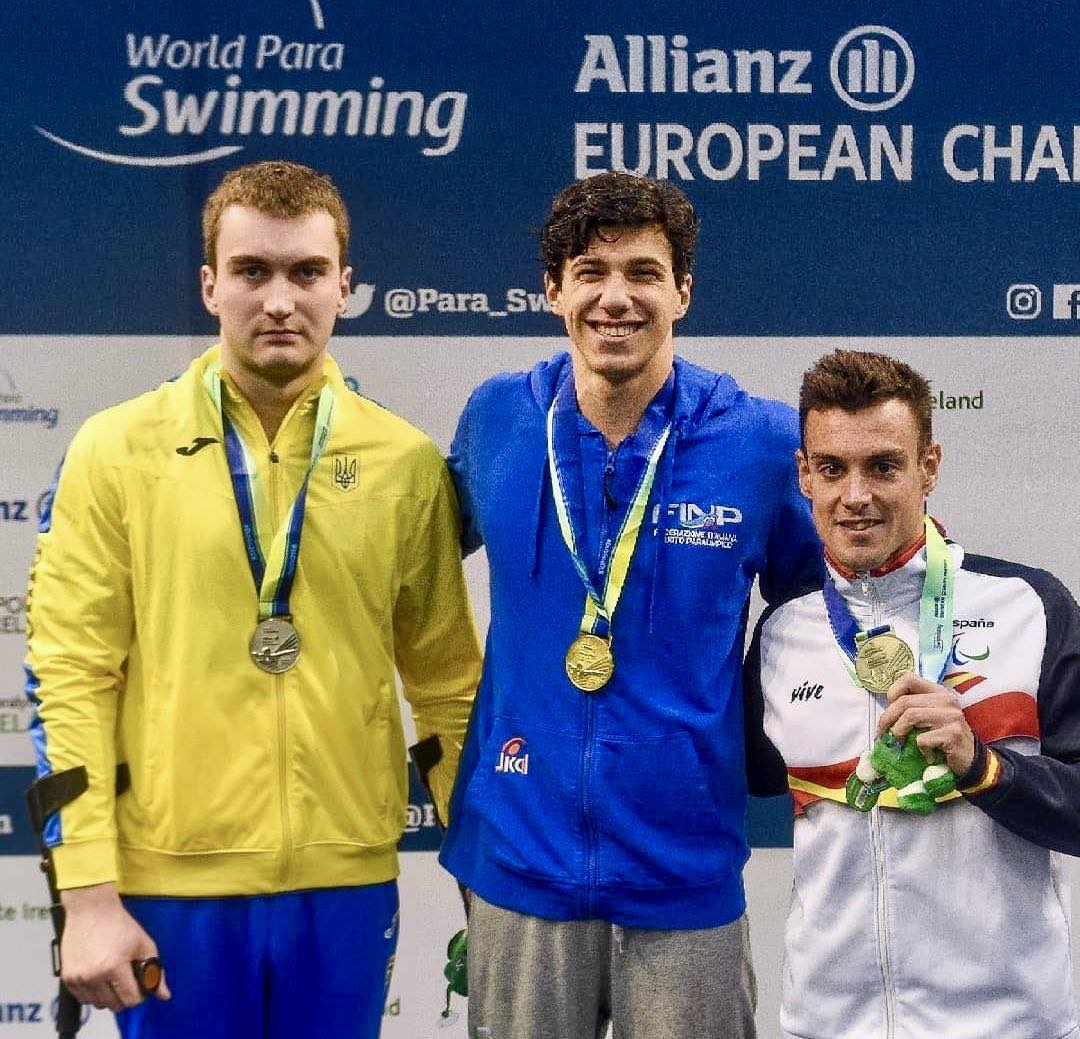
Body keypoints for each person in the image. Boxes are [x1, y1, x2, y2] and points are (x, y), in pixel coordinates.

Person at [24, 160, 481, 1038]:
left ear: (345, 285)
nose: (279, 300)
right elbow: (71, 676)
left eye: (306, 272)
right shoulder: (115, 451)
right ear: (210, 285)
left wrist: (484, 881)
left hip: (347, 886)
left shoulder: (406, 464)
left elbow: (446, 687)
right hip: (170, 885)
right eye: (251, 271)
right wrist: (85, 894)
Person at [439, 171, 822, 1038]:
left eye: (644, 272)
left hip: (684, 872)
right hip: (519, 863)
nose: (616, 297)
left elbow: (824, 609)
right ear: (553, 290)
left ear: (683, 290)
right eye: (591, 271)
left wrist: (756, 742)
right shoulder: (498, 418)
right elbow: (405, 567)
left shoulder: (760, 441)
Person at [745, 348, 1080, 1039]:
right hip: (829, 1023)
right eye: (831, 469)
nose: (855, 495)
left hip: (1008, 1023)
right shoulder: (780, 634)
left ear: (929, 466)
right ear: (804, 475)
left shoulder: (1029, 606)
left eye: (883, 466)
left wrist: (985, 766)